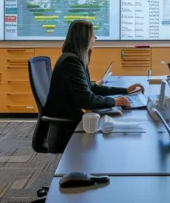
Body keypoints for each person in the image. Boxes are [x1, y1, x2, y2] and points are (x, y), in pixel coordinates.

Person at [42, 20, 144, 151]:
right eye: (93, 36)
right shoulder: (71, 62)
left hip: (72, 122)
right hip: (65, 129)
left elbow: (92, 88)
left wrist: (124, 90)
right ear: (85, 39)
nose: (95, 40)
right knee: (111, 143)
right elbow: (87, 100)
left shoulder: (76, 60)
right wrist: (116, 101)